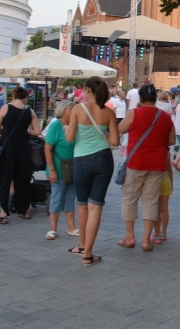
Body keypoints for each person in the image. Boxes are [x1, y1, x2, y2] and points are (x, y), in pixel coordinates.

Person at [65, 77, 119, 265]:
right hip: (104, 159)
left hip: (81, 160)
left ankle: (81, 245)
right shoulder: (109, 112)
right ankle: (88, 254)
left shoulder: (78, 109)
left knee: (82, 205)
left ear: (88, 89)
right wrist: (103, 132)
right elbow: (115, 142)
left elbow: (70, 138)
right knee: (96, 207)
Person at [117, 84, 175, 252]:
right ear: (155, 99)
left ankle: (130, 237)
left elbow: (121, 129)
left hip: (136, 162)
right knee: (150, 202)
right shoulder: (165, 116)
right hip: (157, 165)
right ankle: (145, 241)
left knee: (130, 199)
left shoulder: (134, 113)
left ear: (140, 99)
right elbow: (171, 140)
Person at [0, 86, 41, 224]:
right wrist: (24, 133)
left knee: (4, 180)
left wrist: (7, 132)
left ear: (13, 96)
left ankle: (3, 214)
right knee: (23, 179)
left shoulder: (5, 108)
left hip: (8, 150)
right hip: (23, 150)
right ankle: (25, 210)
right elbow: (37, 131)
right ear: (25, 97)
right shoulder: (29, 111)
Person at [43, 100, 78, 240]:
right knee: (57, 197)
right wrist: (51, 170)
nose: (74, 110)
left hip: (72, 167)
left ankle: (71, 227)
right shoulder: (56, 125)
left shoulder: (75, 125)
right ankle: (52, 229)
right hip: (58, 167)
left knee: (70, 197)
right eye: (71, 108)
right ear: (63, 110)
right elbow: (47, 148)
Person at [152, 149, 174, 244]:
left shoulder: (153, 152)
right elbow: (169, 169)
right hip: (166, 180)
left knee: (156, 209)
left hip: (155, 180)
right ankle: (163, 233)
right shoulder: (166, 153)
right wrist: (171, 184)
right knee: (164, 208)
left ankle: (156, 235)